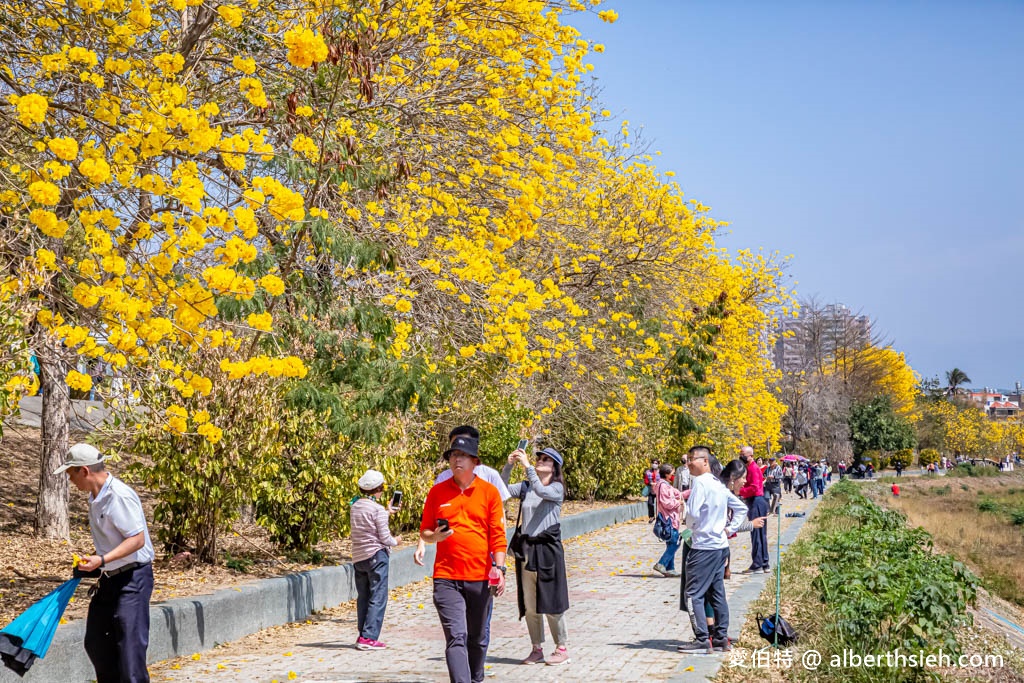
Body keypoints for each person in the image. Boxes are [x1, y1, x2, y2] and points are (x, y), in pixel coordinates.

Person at [56, 443, 154, 683]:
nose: (70, 480)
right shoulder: (95, 496)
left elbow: (137, 539)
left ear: (85, 471)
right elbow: (116, 540)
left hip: (133, 579)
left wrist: (102, 559)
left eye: (71, 474)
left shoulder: (118, 495)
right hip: (110, 578)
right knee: (97, 642)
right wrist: (95, 560)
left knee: (130, 652)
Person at [420, 433, 507, 683]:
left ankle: (476, 678)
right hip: (446, 577)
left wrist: (499, 569)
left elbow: (498, 536)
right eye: (454, 455)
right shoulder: (437, 492)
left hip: (480, 577)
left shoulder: (489, 493)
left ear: (475, 462)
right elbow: (425, 531)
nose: (457, 460)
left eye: (463, 456)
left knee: (477, 639)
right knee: (456, 636)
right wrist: (435, 537)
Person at [502, 445, 570, 666]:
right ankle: (536, 648)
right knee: (530, 603)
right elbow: (500, 489)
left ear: (554, 467)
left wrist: (528, 466)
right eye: (538, 457)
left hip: (547, 550)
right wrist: (509, 465)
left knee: (551, 601)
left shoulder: (557, 488)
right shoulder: (525, 487)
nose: (540, 460)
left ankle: (561, 647)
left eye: (545, 459)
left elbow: (542, 491)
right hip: (527, 550)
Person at [677, 446, 747, 654]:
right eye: (688, 459)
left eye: (692, 459)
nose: (689, 463)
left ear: (705, 461)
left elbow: (693, 515)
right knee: (717, 594)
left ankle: (701, 639)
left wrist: (686, 519)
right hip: (719, 547)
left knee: (692, 594)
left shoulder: (700, 483)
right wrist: (729, 529)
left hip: (704, 547)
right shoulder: (717, 483)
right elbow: (741, 508)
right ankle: (720, 638)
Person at [350, 468, 401, 650]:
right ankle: (369, 637)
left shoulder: (355, 506)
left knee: (363, 596)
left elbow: (368, 523)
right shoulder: (377, 509)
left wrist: (387, 511)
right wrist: (397, 541)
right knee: (378, 595)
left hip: (359, 557)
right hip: (376, 556)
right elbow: (385, 538)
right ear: (378, 489)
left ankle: (362, 634)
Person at [736, 446, 769, 574]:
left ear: (750, 456)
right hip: (755, 501)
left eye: (743, 454)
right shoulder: (749, 468)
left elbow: (755, 488)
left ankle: (758, 564)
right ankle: (764, 562)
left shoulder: (753, 468)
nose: (741, 456)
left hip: (756, 501)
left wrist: (740, 491)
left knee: (756, 533)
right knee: (760, 534)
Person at [652, 463, 683, 577]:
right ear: (666, 474)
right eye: (671, 473)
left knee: (671, 543)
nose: (673, 475)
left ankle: (670, 568)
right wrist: (677, 502)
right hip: (668, 518)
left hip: (671, 518)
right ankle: (661, 563)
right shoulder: (663, 486)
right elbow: (666, 502)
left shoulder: (666, 485)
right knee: (676, 542)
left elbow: (676, 493)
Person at [643, 457, 661, 522]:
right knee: (650, 503)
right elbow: (645, 480)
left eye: (656, 463)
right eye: (653, 463)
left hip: (659, 490)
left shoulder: (661, 472)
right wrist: (650, 483)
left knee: (659, 504)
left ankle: (659, 516)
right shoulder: (648, 472)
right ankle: (651, 516)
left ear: (658, 464)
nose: (654, 464)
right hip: (651, 490)